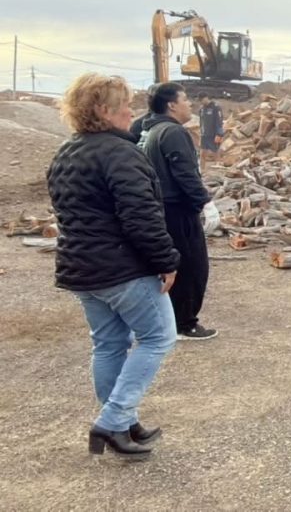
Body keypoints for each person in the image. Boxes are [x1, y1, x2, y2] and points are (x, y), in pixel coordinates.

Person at [47, 73, 181, 458]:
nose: (130, 112)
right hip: (121, 269)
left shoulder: (66, 152)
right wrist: (167, 260)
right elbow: (141, 218)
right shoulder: (121, 153)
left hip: (82, 269)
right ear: (104, 110)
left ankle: (121, 423)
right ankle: (112, 421)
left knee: (108, 344)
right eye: (124, 105)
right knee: (158, 337)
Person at [140, 83, 217, 341]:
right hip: (178, 210)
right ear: (171, 105)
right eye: (185, 99)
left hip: (162, 208)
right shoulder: (173, 132)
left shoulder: (152, 130)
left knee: (173, 265)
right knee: (192, 267)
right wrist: (205, 202)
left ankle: (171, 319)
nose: (190, 104)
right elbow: (185, 173)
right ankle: (185, 324)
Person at [197, 93, 224, 169]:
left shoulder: (215, 107)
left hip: (214, 134)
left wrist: (219, 134)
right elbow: (201, 121)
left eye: (201, 100)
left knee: (216, 153)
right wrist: (200, 132)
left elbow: (219, 121)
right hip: (204, 135)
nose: (201, 102)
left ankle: (218, 170)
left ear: (206, 98)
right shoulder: (202, 109)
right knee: (202, 153)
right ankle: (202, 171)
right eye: (199, 100)